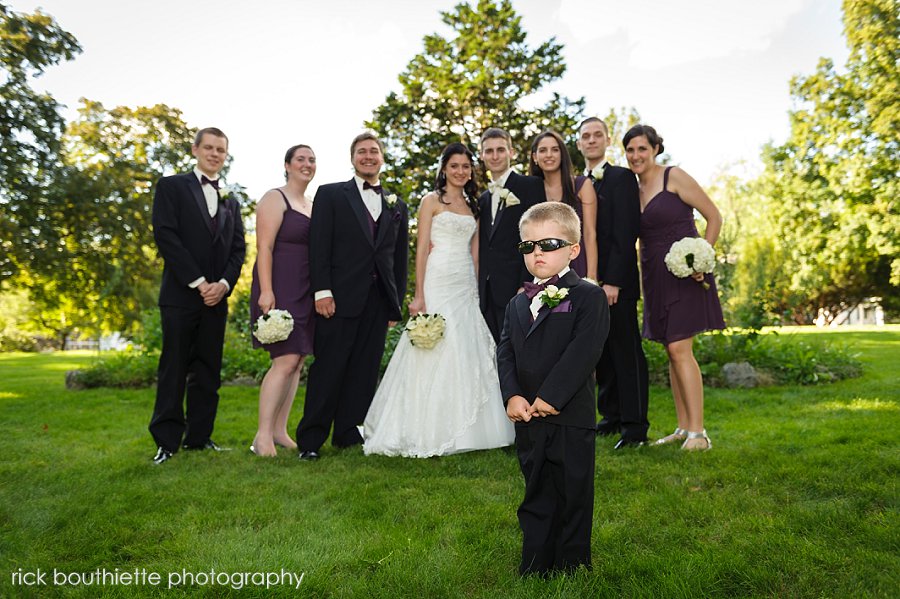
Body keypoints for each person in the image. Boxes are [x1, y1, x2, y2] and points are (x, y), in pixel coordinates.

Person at [364, 143, 514, 457]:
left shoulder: (474, 205)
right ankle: (424, 426)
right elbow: (420, 250)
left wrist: (477, 287)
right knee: (435, 347)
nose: (461, 171)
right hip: (437, 278)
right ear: (444, 169)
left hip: (464, 282)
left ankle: (474, 428)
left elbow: (475, 253)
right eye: (455, 166)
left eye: (465, 166)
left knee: (467, 345)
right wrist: (419, 294)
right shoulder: (431, 201)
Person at [497, 202, 609, 575]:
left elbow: (584, 352)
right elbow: (505, 351)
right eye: (528, 246)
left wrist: (551, 396)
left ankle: (573, 565)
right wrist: (513, 395)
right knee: (536, 491)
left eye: (547, 244)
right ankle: (535, 564)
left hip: (569, 415)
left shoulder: (588, 297)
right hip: (527, 416)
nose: (537, 253)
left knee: (572, 491)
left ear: (573, 250)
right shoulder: (516, 302)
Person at [295, 132, 409, 461]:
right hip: (338, 297)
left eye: (374, 151)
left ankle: (348, 433)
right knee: (329, 367)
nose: (368, 156)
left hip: (377, 300)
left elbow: (397, 258)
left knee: (364, 369)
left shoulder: (396, 203)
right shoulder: (331, 194)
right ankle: (311, 440)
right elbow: (319, 245)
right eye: (362, 152)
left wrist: (394, 302)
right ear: (353, 158)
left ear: (382, 158)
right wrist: (322, 291)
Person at [623, 124, 725, 450]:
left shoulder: (674, 177)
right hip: (654, 277)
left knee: (681, 349)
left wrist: (701, 261)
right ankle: (683, 427)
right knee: (671, 350)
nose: (636, 155)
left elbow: (714, 216)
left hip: (686, 274)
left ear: (655, 149)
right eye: (630, 150)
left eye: (642, 148)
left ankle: (699, 434)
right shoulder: (634, 189)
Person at [149, 127, 247, 464]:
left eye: (221, 149)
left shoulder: (231, 199)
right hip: (181, 294)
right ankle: (166, 441)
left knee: (208, 368)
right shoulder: (171, 187)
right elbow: (166, 236)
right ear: (195, 150)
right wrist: (199, 281)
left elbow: (238, 249)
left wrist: (223, 284)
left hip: (216, 298)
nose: (215, 154)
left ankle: (200, 437)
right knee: (174, 368)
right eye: (209, 148)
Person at [577, 117, 650, 449]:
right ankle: (611, 416)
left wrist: (614, 282)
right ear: (578, 143)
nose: (591, 140)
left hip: (615, 282)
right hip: (588, 281)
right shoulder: (578, 182)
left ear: (606, 140)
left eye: (597, 135)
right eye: (585, 136)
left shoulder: (621, 178)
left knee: (625, 350)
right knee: (601, 352)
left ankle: (634, 427)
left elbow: (626, 232)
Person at [248, 145, 316, 457]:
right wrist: (266, 290)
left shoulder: (312, 205)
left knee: (298, 361)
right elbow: (264, 247)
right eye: (300, 159)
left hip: (305, 288)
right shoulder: (275, 198)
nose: (307, 164)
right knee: (284, 360)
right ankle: (262, 436)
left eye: (311, 159)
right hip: (279, 286)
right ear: (287, 165)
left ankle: (279, 430)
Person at [478, 127, 546, 343]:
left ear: (511, 152)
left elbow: (536, 236)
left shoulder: (530, 185)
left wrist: (526, 283)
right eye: (489, 151)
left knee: (521, 351)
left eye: (500, 149)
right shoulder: (482, 199)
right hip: (487, 291)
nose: (495, 156)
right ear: (482, 155)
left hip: (516, 286)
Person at [529, 130, 598, 280]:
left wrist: (591, 277)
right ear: (535, 157)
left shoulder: (581, 185)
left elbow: (589, 233)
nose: (549, 155)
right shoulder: (531, 191)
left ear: (562, 155)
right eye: (543, 150)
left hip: (577, 263)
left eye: (555, 149)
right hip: (544, 269)